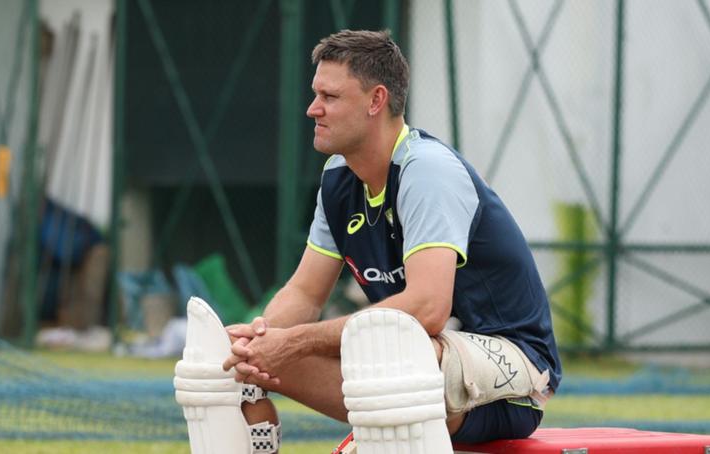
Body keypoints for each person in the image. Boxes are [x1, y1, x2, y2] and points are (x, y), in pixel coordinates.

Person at [222, 29, 561, 448]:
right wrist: (258, 342)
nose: (313, 109)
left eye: (329, 97)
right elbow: (305, 293)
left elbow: (427, 308)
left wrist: (292, 341)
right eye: (315, 94)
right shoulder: (338, 178)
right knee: (233, 359)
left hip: (516, 371)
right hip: (411, 357)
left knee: (391, 345)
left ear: (376, 100)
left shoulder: (426, 171)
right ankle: (261, 432)